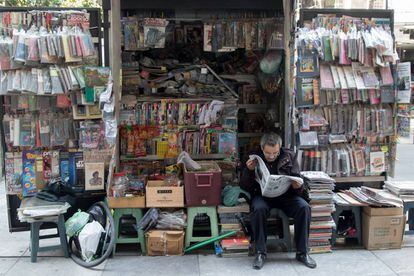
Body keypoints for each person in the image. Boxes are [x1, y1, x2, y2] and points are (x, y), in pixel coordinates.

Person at [240, 133, 316, 269]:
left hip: (286, 196)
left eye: (275, 153)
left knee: (304, 207)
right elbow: (245, 186)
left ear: (279, 148)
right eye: (268, 153)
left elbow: (298, 183)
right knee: (258, 209)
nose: (271, 156)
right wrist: (249, 171)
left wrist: (297, 185)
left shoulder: (289, 156)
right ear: (262, 148)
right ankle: (260, 252)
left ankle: (302, 252)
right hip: (263, 196)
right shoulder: (253, 157)